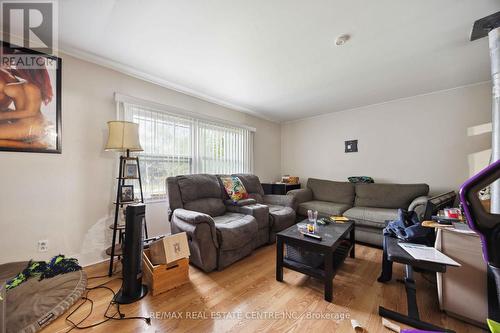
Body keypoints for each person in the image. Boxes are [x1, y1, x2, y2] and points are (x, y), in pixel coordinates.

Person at [0, 59, 54, 149]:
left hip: (31, 126)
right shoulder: (26, 83)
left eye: (16, 63)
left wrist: (3, 116)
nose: (13, 64)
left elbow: (31, 112)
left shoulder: (32, 87)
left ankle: (31, 146)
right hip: (26, 124)